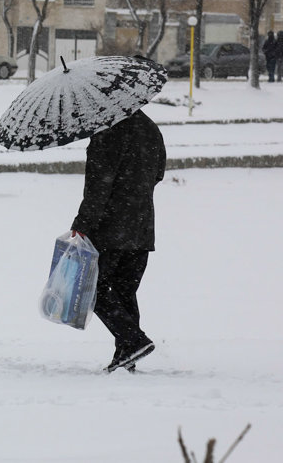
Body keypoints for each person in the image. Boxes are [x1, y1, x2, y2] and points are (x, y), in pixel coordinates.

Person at [71, 109, 166, 373]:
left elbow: (98, 188)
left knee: (94, 290)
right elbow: (158, 174)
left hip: (111, 228)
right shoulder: (150, 127)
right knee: (124, 292)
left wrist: (82, 225)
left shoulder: (106, 131)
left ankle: (134, 341)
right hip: (142, 225)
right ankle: (127, 357)